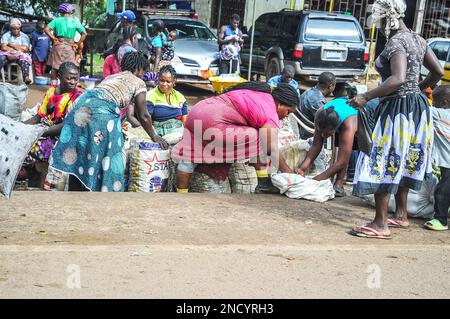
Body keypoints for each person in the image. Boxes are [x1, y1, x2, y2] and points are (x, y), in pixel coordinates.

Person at [347, 0, 443, 239]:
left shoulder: (396, 42)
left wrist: (365, 96)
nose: (377, 26)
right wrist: (419, 89)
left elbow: (397, 78)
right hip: (417, 109)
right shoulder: (418, 39)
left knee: (384, 158)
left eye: (377, 21)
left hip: (397, 110)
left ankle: (380, 224)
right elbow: (438, 72)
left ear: (385, 18)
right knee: (405, 157)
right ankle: (401, 215)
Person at [50, 51, 169, 192]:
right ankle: (99, 191)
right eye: (143, 70)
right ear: (138, 68)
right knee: (107, 154)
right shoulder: (139, 82)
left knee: (81, 150)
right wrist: (154, 136)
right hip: (102, 113)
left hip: (82, 103)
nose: (142, 74)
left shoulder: (112, 77)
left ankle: (74, 193)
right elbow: (144, 115)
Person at [171, 82, 299, 193]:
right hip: (214, 122)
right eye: (288, 111)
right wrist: (289, 174)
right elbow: (271, 149)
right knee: (263, 138)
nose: (287, 116)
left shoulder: (255, 93)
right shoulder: (270, 111)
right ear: (280, 104)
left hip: (196, 112)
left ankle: (181, 194)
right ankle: (263, 182)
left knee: (188, 158)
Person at [23, 62, 82, 188]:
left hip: (61, 137)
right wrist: (21, 127)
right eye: (69, 78)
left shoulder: (77, 98)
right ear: (59, 76)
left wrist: (39, 133)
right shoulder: (51, 91)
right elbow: (39, 116)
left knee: (27, 147)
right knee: (19, 139)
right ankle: (32, 178)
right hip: (46, 130)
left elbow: (65, 127)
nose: (73, 82)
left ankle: (37, 180)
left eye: (75, 78)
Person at [297, 83, 358, 196]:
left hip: (355, 118)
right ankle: (336, 183)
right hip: (334, 113)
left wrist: (313, 181)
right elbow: (316, 145)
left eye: (327, 133)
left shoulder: (348, 124)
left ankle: (339, 184)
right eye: (322, 132)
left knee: (345, 153)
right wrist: (303, 168)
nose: (323, 135)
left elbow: (341, 162)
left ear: (335, 128)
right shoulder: (321, 114)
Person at [424, 85, 450, 231]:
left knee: (442, 190)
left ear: (444, 102)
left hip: (449, 164)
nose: (433, 103)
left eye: (435, 101)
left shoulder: (440, 114)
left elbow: (421, 108)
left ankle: (440, 220)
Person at [45, 3, 87, 84]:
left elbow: (46, 29)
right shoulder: (75, 21)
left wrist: (54, 38)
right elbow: (84, 33)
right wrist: (77, 44)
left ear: (61, 12)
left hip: (58, 45)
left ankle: (54, 87)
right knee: (70, 67)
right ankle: (68, 87)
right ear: (71, 12)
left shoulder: (56, 20)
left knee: (55, 68)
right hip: (70, 47)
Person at [142, 65, 188, 136]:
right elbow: (147, 119)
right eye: (162, 80)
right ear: (158, 80)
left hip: (177, 130)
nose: (164, 84)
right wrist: (155, 136)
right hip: (158, 131)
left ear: (174, 82)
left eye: (168, 81)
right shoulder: (150, 96)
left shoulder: (180, 97)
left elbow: (184, 118)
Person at [0, 18, 32, 84]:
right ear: (10, 28)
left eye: (18, 29)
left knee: (24, 60)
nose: (16, 30)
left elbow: (25, 49)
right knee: (1, 58)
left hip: (20, 54)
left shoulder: (24, 36)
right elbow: (3, 47)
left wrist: (11, 45)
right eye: (14, 29)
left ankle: (26, 77)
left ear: (20, 28)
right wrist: (16, 48)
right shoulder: (6, 35)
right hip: (8, 54)